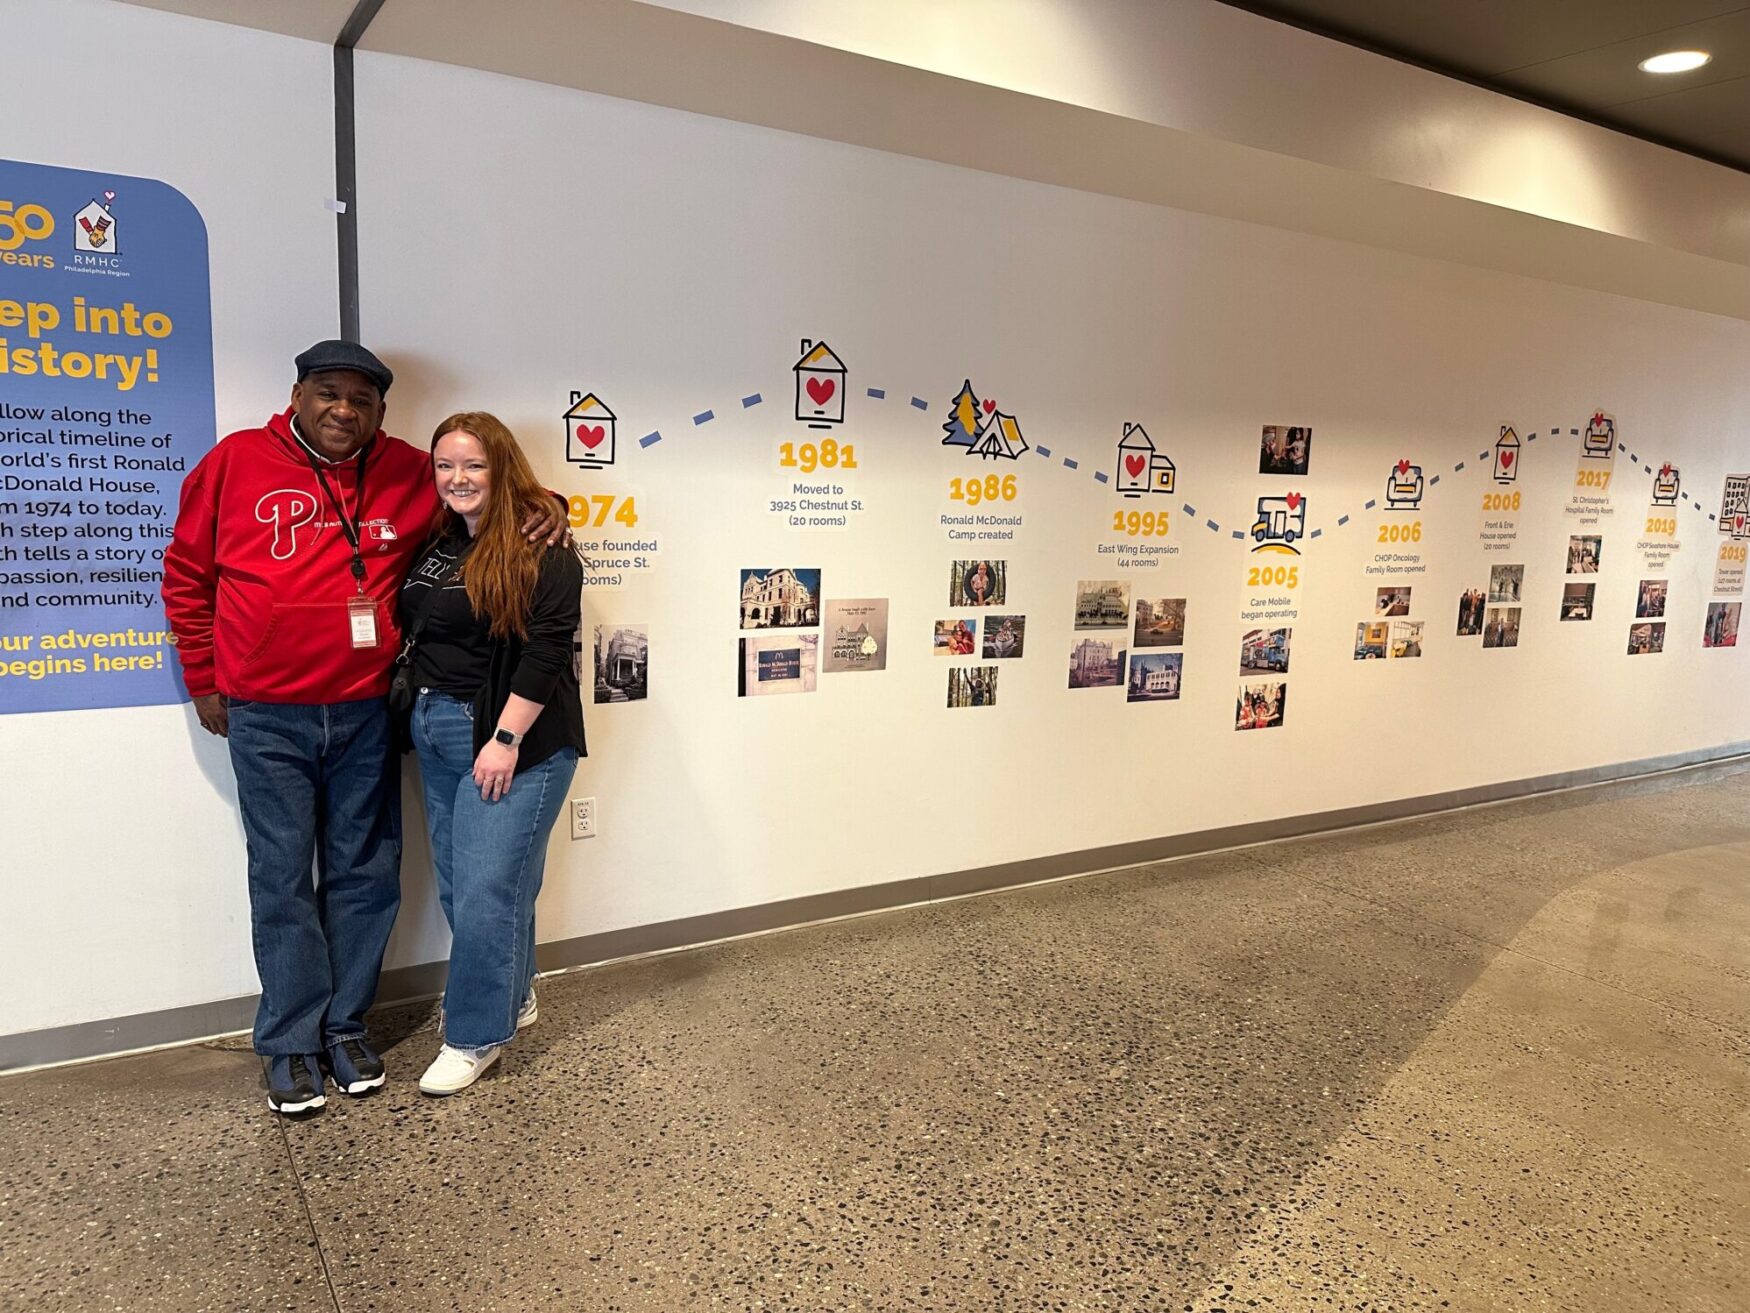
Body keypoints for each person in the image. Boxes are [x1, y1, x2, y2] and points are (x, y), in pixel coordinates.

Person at [162, 342, 563, 1117]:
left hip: (366, 708)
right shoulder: (236, 461)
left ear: (380, 409)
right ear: (298, 395)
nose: (344, 409)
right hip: (266, 712)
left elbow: (485, 485)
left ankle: (345, 1028)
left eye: (361, 399)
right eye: (328, 393)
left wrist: (547, 505)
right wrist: (205, 680)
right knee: (280, 876)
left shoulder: (411, 469)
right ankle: (288, 1040)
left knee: (366, 875)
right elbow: (187, 574)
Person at [403, 412, 584, 1096]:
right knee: (468, 882)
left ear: (502, 466)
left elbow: (546, 651)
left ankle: (475, 1034)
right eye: (446, 465)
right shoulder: (445, 539)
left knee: (486, 889)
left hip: (514, 741)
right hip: (436, 729)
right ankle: (516, 993)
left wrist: (505, 739)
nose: (458, 478)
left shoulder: (546, 547)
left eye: (473, 465)